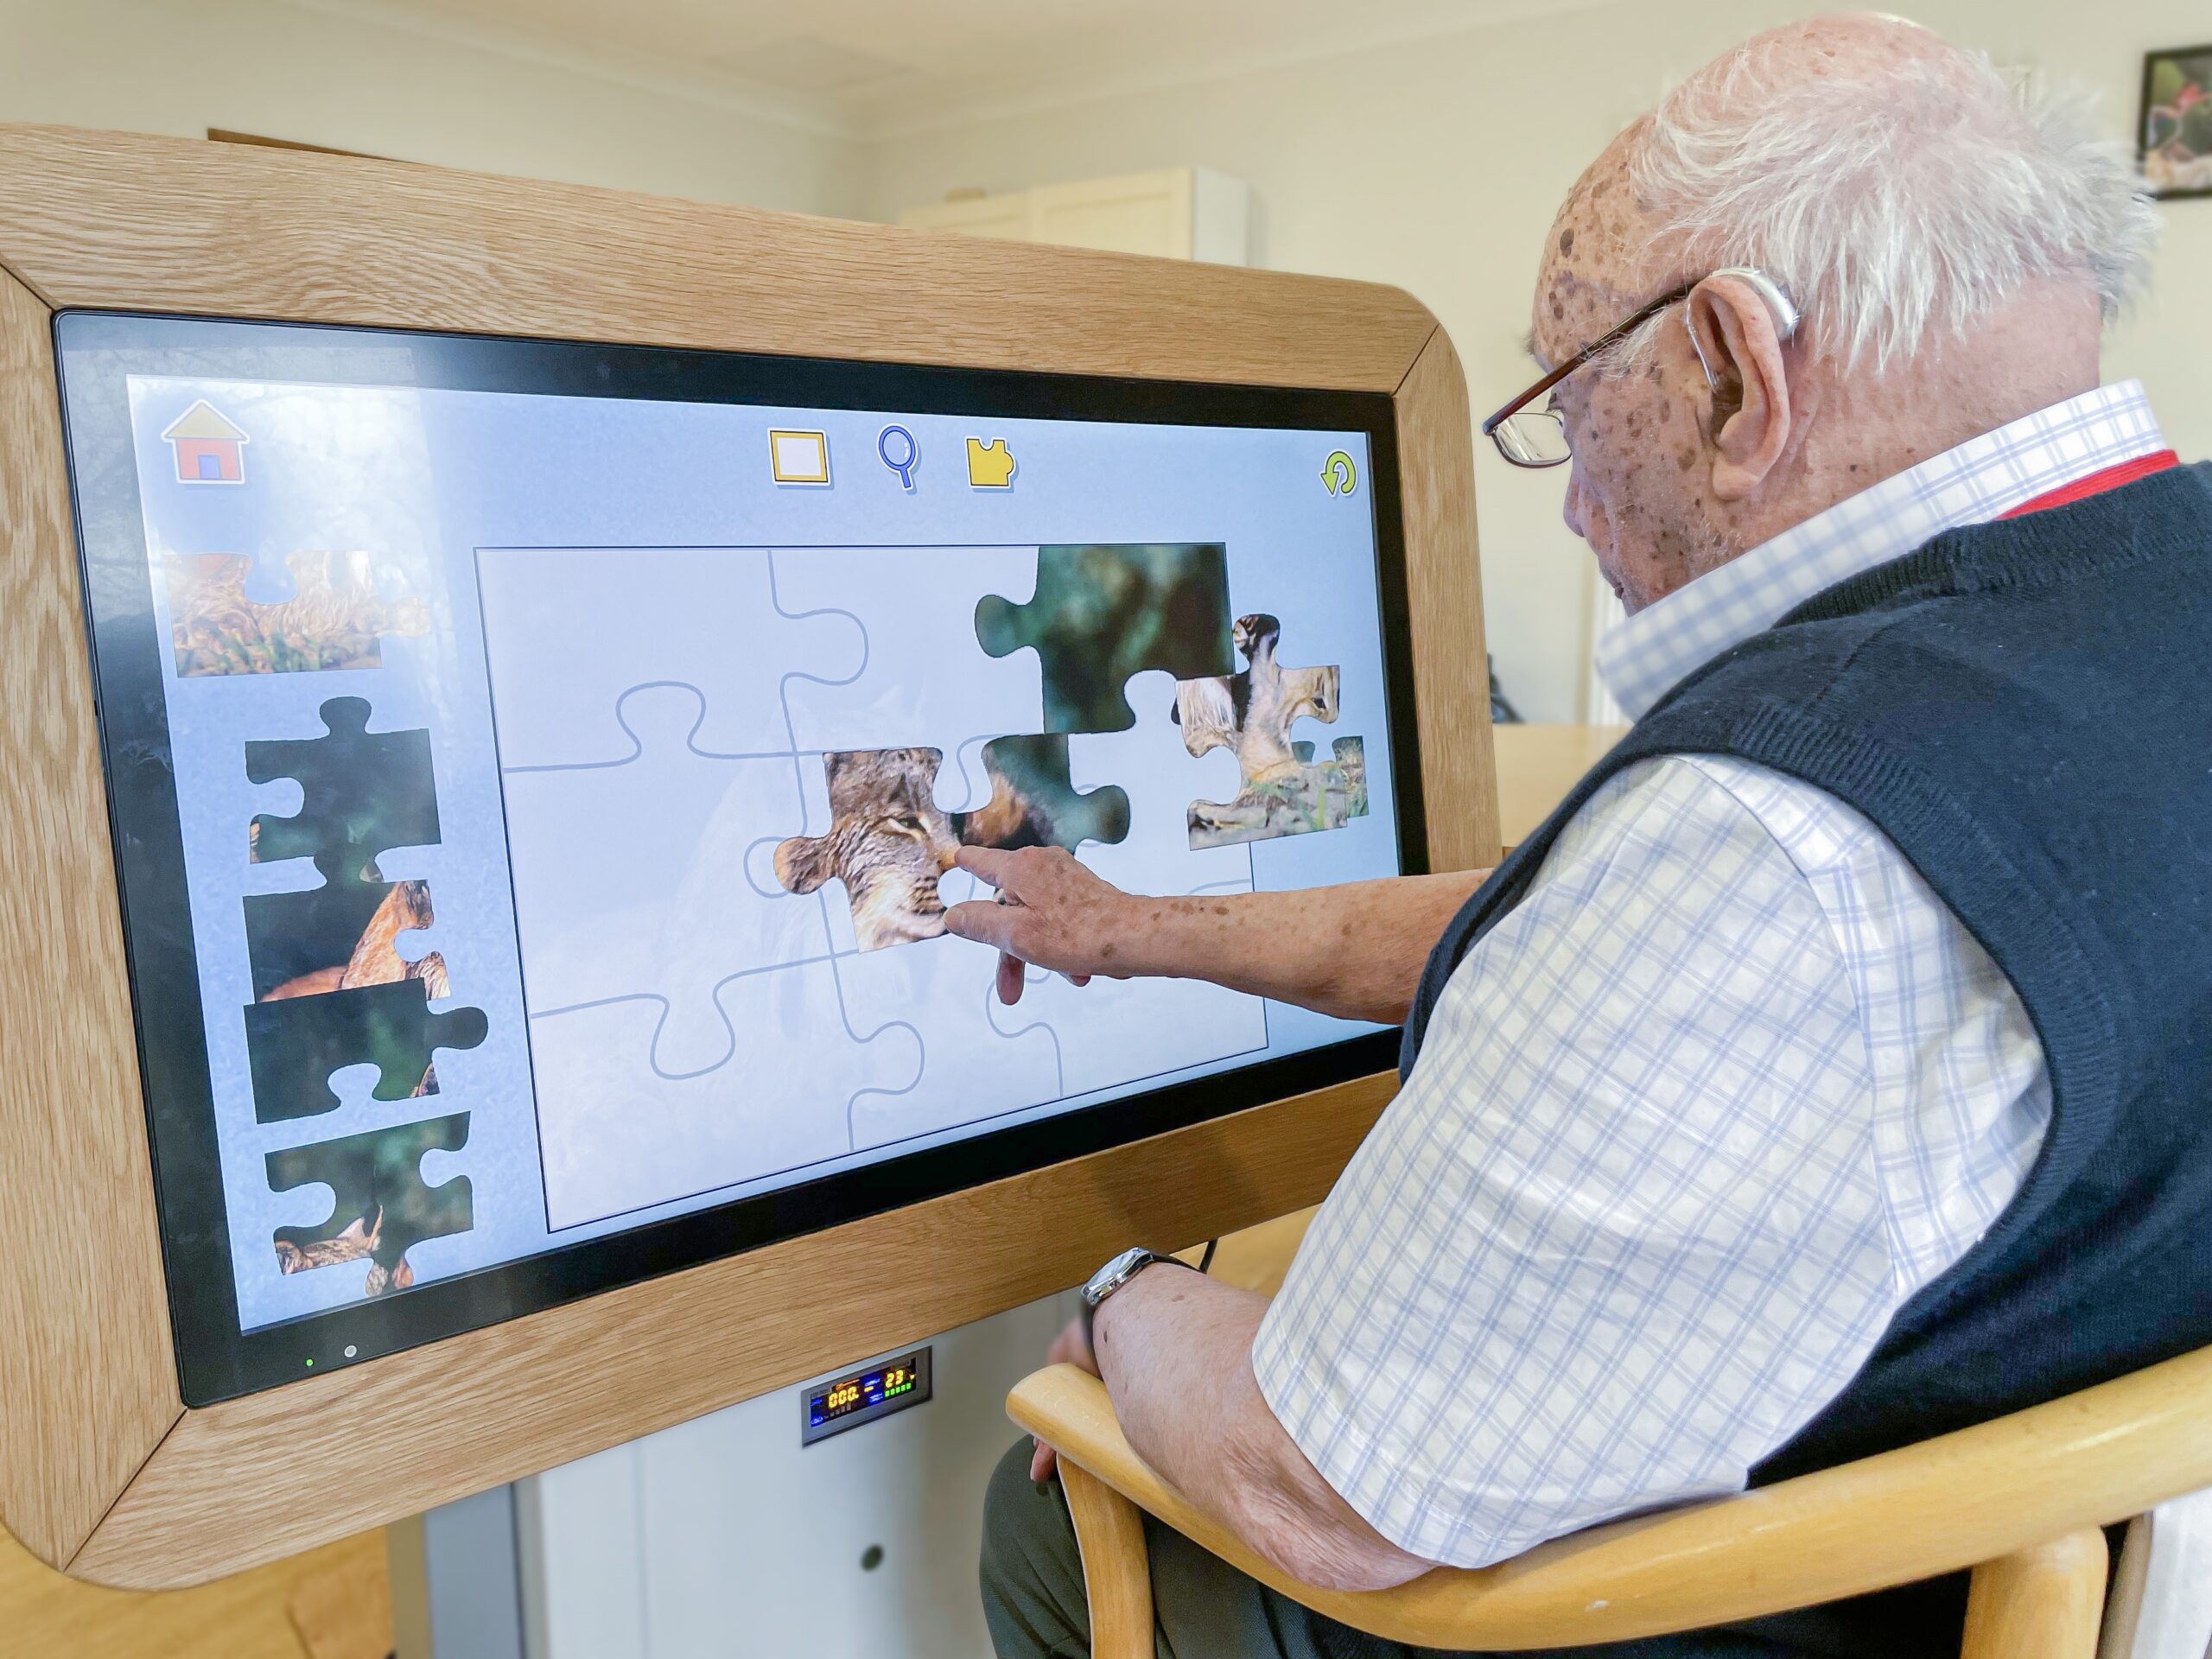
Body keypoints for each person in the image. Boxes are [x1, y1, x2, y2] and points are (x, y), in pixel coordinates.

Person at [950, 12, 2212, 1658]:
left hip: (1785, 1603)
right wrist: (1122, 928)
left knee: (1042, 1508)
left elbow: (1316, 1485)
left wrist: (1125, 1306)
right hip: (2066, 1487)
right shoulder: (2116, 621)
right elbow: (1565, 930)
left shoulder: (1770, 836)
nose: (1563, 499)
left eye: (1567, 400)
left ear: (1737, 371)